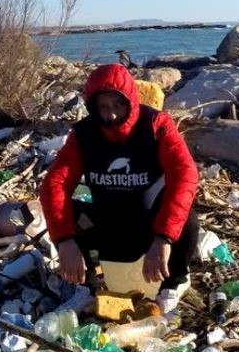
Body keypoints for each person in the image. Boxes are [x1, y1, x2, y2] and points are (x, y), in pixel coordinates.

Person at [40, 63, 199, 314]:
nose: (111, 115)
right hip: (109, 225)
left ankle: (173, 284)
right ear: (93, 107)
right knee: (66, 210)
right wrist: (64, 241)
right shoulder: (83, 134)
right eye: (103, 107)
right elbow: (55, 183)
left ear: (130, 102)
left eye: (117, 105)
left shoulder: (157, 125)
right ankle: (86, 288)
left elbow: (185, 174)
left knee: (186, 216)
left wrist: (164, 237)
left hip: (151, 228)